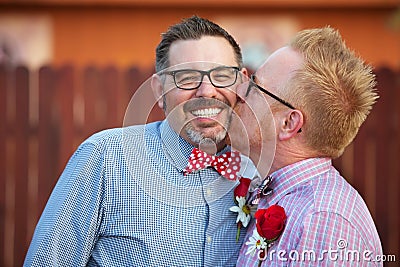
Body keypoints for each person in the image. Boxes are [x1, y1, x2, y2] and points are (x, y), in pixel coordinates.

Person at [24, 16, 255, 266]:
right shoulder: (105, 157)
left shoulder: (260, 173)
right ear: (158, 89)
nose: (207, 91)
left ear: (242, 83)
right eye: (187, 78)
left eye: (222, 75)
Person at [230, 27, 383, 266]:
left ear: (289, 123)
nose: (239, 90)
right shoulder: (276, 193)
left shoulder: (323, 221)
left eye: (254, 84)